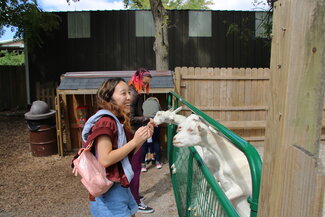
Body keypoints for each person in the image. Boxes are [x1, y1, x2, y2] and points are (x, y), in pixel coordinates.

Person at [81, 78, 154, 217]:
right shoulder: (105, 122)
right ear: (109, 97)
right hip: (109, 194)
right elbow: (105, 159)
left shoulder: (117, 120)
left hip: (120, 187)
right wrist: (134, 142)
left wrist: (142, 138)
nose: (129, 97)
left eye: (129, 93)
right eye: (123, 93)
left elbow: (124, 155)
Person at [128, 68, 155, 213]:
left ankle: (133, 194)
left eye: (147, 84)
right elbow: (130, 117)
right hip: (133, 135)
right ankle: (135, 201)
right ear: (138, 79)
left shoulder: (133, 91)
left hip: (135, 133)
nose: (145, 86)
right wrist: (147, 119)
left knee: (134, 168)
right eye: (144, 83)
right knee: (135, 169)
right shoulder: (133, 94)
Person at [141, 96, 162, 172]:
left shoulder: (144, 103)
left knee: (144, 142)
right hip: (154, 121)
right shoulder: (157, 103)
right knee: (156, 141)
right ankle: (157, 162)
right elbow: (159, 113)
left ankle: (143, 164)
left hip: (144, 121)